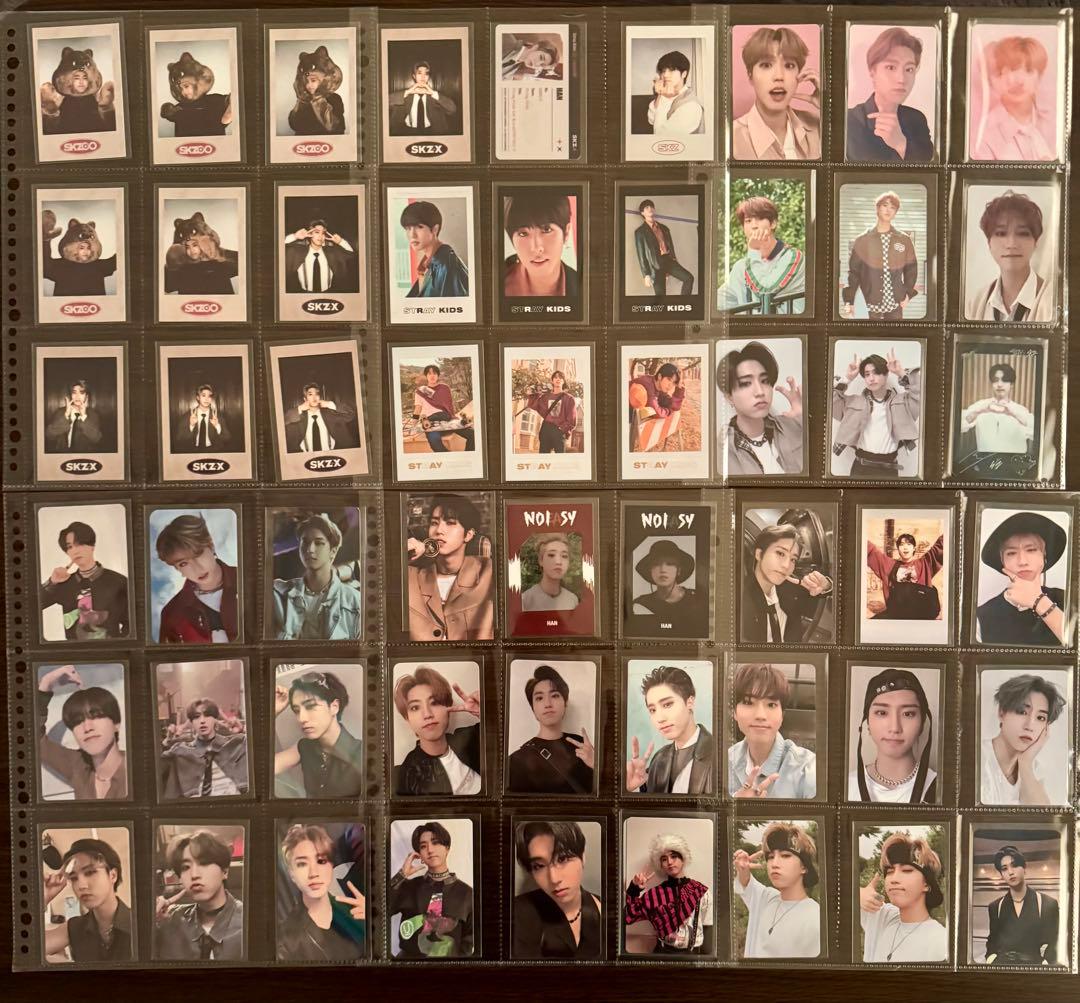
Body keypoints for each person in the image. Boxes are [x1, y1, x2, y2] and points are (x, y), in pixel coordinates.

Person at [405, 494, 494, 641]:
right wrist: (404, 553)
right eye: (434, 523)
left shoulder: (489, 571)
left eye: (450, 523)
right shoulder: (410, 575)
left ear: (468, 535)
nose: (439, 530)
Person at [975, 511, 1068, 646]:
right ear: (1002, 560)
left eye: (1031, 550)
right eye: (1011, 553)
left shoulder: (1069, 600)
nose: (1022, 561)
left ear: (1044, 555)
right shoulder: (982, 616)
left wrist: (1039, 601)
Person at [513, 821, 602, 959]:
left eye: (562, 859)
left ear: (583, 856)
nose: (554, 879)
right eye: (539, 866)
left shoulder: (603, 908)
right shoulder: (518, 912)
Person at [37, 664, 126, 800]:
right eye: (77, 721)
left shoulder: (140, 768)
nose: (87, 727)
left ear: (116, 724)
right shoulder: (78, 765)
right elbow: (32, 738)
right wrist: (46, 683)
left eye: (96, 716)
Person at [848, 668, 937, 803]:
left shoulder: (942, 789)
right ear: (867, 723)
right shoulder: (846, 787)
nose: (895, 728)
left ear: (922, 723)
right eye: (882, 713)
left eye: (908, 714)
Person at [277, 824, 365, 961]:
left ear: (331, 865)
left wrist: (373, 922)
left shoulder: (354, 908)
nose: (313, 873)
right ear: (292, 874)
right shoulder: (287, 940)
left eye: (321, 861)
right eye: (302, 864)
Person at [728, 663, 816, 800]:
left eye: (771, 705)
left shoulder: (807, 769)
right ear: (734, 712)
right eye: (748, 702)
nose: (760, 715)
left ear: (782, 715)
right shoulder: (723, 762)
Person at [846, 26, 934, 162]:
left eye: (909, 69)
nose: (901, 79)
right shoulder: (849, 121)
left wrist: (901, 144)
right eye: (891, 67)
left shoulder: (917, 120)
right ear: (872, 72)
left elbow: (931, 168)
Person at [154, 829, 244, 961]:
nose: (194, 874)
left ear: (224, 871)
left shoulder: (249, 923)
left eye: (204, 863)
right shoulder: (169, 920)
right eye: (185, 867)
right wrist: (154, 924)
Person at [732, 26, 821, 160]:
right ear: (750, 75)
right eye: (766, 65)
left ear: (800, 74)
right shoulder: (731, 138)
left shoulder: (819, 125)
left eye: (789, 65)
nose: (779, 76)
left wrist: (829, 107)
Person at [733, 823, 820, 958]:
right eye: (771, 857)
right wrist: (742, 868)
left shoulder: (815, 917)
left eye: (785, 855)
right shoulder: (766, 899)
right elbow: (745, 883)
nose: (774, 864)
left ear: (804, 867)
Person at [392, 665, 481, 796]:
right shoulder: (406, 777)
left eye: (434, 703)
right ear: (407, 718)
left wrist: (483, 713)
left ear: (448, 706)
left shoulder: (474, 738)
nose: (427, 714)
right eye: (415, 707)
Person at [271, 512, 361, 641]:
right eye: (305, 542)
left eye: (318, 543)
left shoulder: (355, 602)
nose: (310, 549)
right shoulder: (278, 593)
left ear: (333, 551)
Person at [389, 822, 473, 958]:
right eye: (423, 846)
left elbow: (470, 944)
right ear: (420, 855)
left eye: (435, 843)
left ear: (447, 848)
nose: (430, 850)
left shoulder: (467, 894)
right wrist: (401, 875)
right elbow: (377, 910)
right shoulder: (408, 887)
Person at [965, 191, 1053, 322]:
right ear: (989, 243)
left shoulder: (1053, 300)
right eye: (1001, 233)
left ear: (1036, 242)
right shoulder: (976, 303)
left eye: (1022, 233)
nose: (1011, 244)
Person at [859, 833, 948, 962]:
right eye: (890, 871)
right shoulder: (883, 917)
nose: (894, 879)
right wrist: (859, 894)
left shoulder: (941, 941)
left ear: (927, 884)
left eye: (907, 870)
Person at [274, 671, 363, 799]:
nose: (301, 718)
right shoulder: (305, 746)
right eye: (297, 710)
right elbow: (262, 770)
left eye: (310, 706)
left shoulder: (363, 753)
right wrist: (273, 713)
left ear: (334, 707)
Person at [507, 664, 594, 795]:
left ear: (565, 702)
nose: (548, 704)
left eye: (555, 695)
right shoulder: (516, 761)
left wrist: (596, 766)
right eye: (539, 698)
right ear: (533, 708)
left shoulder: (581, 745)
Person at [626, 665, 713, 794]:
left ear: (689, 702)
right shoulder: (659, 759)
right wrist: (631, 789)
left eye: (667, 705)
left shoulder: (721, 755)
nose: (660, 718)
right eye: (653, 710)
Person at [832, 350, 921, 478]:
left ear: (886, 374)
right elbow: (829, 401)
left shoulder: (902, 402)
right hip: (860, 469)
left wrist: (900, 373)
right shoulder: (854, 402)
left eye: (877, 373)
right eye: (867, 374)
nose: (871, 378)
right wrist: (848, 378)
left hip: (890, 470)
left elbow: (922, 395)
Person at [718, 341, 803, 476]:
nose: (760, 392)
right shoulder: (721, 450)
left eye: (765, 381)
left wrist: (803, 421)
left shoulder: (793, 425)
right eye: (746, 383)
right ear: (729, 397)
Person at [42, 837, 132, 962]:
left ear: (113, 875)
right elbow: (27, 948)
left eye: (90, 872)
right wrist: (44, 898)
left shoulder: (140, 924)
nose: (81, 885)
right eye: (74, 878)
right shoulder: (75, 927)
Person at [982, 674, 1066, 805]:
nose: (1029, 726)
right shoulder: (977, 757)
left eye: (1040, 718)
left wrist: (1025, 763)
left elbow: (1044, 816)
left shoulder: (1035, 769)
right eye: (1022, 712)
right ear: (1002, 712)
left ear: (1046, 728)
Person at [741, 523, 832, 643]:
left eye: (793, 559)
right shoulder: (740, 600)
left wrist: (827, 585)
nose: (786, 565)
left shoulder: (790, 587)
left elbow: (823, 594)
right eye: (780, 553)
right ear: (759, 554)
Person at [154, 513, 238, 644]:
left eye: (198, 554)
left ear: (211, 545)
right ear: (177, 569)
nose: (197, 568)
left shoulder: (252, 581)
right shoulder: (172, 613)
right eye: (183, 564)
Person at [40, 519, 129, 641]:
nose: (75, 550)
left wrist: (118, 647)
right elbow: (29, 607)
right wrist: (52, 582)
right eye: (70, 547)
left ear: (92, 546)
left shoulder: (118, 582)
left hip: (110, 651)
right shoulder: (64, 584)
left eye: (80, 544)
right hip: (74, 651)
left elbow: (132, 625)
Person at [972, 35, 1057, 161]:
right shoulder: (985, 136)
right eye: (1001, 73)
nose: (1017, 81)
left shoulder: (1054, 120)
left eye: (1028, 70)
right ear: (990, 82)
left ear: (1039, 76)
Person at [625, 833, 712, 955]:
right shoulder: (654, 894)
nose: (669, 862)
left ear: (683, 859)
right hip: (662, 954)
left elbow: (708, 928)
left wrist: (707, 961)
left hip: (693, 957)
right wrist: (634, 888)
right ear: (661, 865)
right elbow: (628, 916)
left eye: (674, 856)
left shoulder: (701, 891)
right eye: (664, 859)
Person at [717, 196, 806, 315]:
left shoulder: (793, 257)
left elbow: (765, 293)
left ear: (773, 223)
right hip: (751, 327)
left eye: (759, 219)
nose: (754, 225)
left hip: (786, 326)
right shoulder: (741, 267)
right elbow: (718, 302)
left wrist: (754, 250)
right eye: (748, 221)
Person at [841, 191, 919, 320]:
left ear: (896, 212)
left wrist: (908, 294)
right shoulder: (862, 240)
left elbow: (911, 269)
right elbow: (853, 272)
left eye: (893, 207)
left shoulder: (904, 240)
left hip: (895, 306)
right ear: (877, 208)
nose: (888, 210)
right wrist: (850, 301)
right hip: (868, 306)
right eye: (885, 205)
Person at [984, 844, 1060, 965]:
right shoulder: (995, 907)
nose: (1010, 872)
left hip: (1034, 969)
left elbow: (1055, 941)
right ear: (1001, 875)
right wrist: (991, 960)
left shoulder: (1047, 904)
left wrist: (1046, 965)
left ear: (1024, 868)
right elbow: (992, 942)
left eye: (1014, 865)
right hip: (1003, 969)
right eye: (1004, 869)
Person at [160, 698, 248, 799]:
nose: (202, 721)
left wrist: (243, 728)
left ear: (215, 719)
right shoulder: (181, 751)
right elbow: (155, 766)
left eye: (207, 715)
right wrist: (167, 740)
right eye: (197, 717)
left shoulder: (235, 744)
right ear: (191, 722)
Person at [503, 190, 579, 299]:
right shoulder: (494, 285)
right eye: (523, 233)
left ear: (566, 233)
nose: (536, 248)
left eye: (547, 230)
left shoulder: (584, 287)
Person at [630, 539, 708, 637]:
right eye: (656, 564)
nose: (663, 569)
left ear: (678, 570)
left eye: (670, 564)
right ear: (650, 570)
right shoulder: (641, 605)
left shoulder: (698, 599)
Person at [960, 362, 1036, 456]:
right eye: (995, 380)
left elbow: (1038, 434)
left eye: (1004, 380)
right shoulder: (981, 405)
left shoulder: (1020, 410)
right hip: (985, 461)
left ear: (1011, 384)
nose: (999, 384)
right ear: (991, 384)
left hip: (1014, 462)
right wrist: (978, 411)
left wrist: (1014, 414)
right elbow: (958, 426)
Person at [865, 530, 943, 620]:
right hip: (897, 614)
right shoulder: (889, 565)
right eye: (902, 545)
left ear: (914, 548)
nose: (905, 548)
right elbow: (872, 551)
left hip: (920, 615)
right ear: (898, 549)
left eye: (909, 544)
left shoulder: (924, 563)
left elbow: (941, 546)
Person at [400, 201, 469, 298]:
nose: (412, 235)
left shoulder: (445, 263)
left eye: (419, 227)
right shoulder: (427, 264)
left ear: (435, 229)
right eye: (408, 228)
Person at [633, 200, 694, 297]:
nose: (650, 209)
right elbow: (641, 255)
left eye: (651, 207)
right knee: (661, 296)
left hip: (668, 260)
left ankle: (683, 303)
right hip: (655, 265)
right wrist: (646, 275)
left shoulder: (664, 228)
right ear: (642, 213)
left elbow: (670, 246)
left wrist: (674, 259)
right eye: (647, 207)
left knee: (689, 278)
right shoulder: (640, 232)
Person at [409, 364, 474, 453]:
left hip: (446, 419)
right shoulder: (421, 391)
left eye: (434, 373)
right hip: (431, 423)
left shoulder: (444, 388)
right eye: (429, 373)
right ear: (426, 376)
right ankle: (449, 459)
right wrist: (413, 425)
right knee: (435, 443)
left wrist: (454, 418)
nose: (432, 376)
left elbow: (449, 406)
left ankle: (467, 457)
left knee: (472, 435)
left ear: (438, 375)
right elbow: (417, 409)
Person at [283, 217, 356, 294]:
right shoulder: (297, 252)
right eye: (317, 232)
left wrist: (341, 242)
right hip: (304, 294)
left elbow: (351, 254)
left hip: (328, 294)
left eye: (323, 233)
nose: (320, 236)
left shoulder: (332, 253)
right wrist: (295, 236)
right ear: (310, 234)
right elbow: (278, 248)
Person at [284, 381, 359, 453]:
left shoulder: (330, 414)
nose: (314, 397)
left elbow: (351, 414)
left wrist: (330, 404)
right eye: (310, 394)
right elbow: (285, 420)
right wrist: (299, 408)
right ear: (305, 399)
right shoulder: (298, 417)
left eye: (317, 394)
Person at [389, 61, 458, 135]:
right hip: (407, 131)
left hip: (431, 132)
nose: (423, 76)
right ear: (414, 76)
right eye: (419, 73)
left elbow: (452, 109)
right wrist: (408, 92)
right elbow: (385, 103)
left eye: (426, 74)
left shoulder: (434, 96)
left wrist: (433, 93)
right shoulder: (405, 95)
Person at [645, 50, 704, 136]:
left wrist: (664, 97)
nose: (665, 75)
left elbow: (660, 136)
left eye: (671, 70)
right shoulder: (668, 93)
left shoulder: (691, 105)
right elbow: (651, 120)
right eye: (663, 71)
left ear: (684, 74)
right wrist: (660, 95)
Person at [518, 370, 577, 454]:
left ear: (563, 381)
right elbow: (534, 405)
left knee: (560, 457)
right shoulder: (546, 397)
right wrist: (537, 392)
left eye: (560, 378)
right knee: (543, 455)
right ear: (552, 381)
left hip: (559, 429)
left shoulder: (569, 398)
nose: (558, 379)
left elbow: (572, 418)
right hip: (546, 428)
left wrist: (562, 429)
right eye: (555, 377)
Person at [522, 533, 580, 612]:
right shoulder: (526, 600)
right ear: (541, 560)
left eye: (564, 556)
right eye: (551, 555)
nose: (558, 562)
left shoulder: (573, 600)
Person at [45, 378, 103, 452]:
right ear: (71, 395)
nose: (77, 396)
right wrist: (66, 415)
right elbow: (49, 435)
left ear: (87, 396)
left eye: (81, 393)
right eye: (74, 392)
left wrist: (84, 416)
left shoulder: (93, 414)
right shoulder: (60, 412)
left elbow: (97, 439)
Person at [174, 384, 230, 452]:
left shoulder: (218, 416)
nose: (207, 399)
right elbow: (179, 438)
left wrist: (217, 426)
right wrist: (191, 425)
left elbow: (227, 438)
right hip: (192, 451)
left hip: (213, 451)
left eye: (209, 396)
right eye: (203, 395)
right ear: (198, 397)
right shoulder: (187, 416)